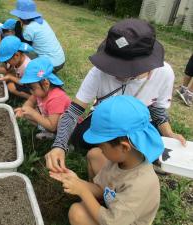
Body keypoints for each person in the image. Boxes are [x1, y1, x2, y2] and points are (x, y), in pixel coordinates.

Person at [45, 18, 186, 175]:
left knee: (154, 145)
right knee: (81, 137)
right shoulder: (98, 72)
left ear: (144, 63)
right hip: (106, 119)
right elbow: (73, 112)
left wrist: (169, 134)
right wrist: (59, 145)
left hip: (138, 124)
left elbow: (158, 111)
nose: (114, 71)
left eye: (122, 68)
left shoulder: (164, 73)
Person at [50, 95, 164, 225]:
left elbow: (111, 222)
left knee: (77, 213)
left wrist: (83, 191)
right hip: (115, 206)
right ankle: (98, 205)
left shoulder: (140, 185)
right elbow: (102, 188)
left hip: (117, 221)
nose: (100, 148)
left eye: (102, 145)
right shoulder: (121, 160)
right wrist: (77, 182)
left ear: (123, 147)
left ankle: (95, 206)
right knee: (95, 155)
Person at [15, 57, 71, 139]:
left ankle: (64, 142)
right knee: (27, 114)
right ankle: (50, 133)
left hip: (67, 128)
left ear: (46, 84)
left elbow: (52, 126)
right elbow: (30, 101)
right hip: (51, 119)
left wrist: (33, 113)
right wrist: (24, 108)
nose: (31, 92)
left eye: (33, 88)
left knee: (32, 114)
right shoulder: (41, 92)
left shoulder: (56, 98)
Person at [10, 0, 65, 73]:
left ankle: (44, 76)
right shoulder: (42, 21)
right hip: (60, 61)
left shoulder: (29, 29)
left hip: (52, 65)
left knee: (22, 57)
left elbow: (24, 48)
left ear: (20, 16)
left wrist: (18, 31)